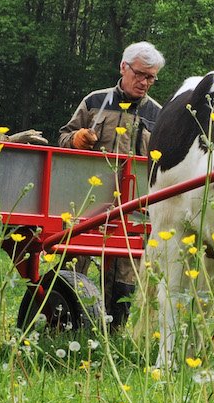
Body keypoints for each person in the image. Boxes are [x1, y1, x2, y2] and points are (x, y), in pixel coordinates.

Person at [58, 42, 165, 329]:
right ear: (123, 68)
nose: (145, 83)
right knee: (71, 263)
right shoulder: (95, 101)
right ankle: (65, 327)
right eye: (141, 74)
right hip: (87, 204)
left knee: (125, 275)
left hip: (133, 208)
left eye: (151, 77)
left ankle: (113, 335)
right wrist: (76, 139)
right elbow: (63, 139)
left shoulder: (159, 114)